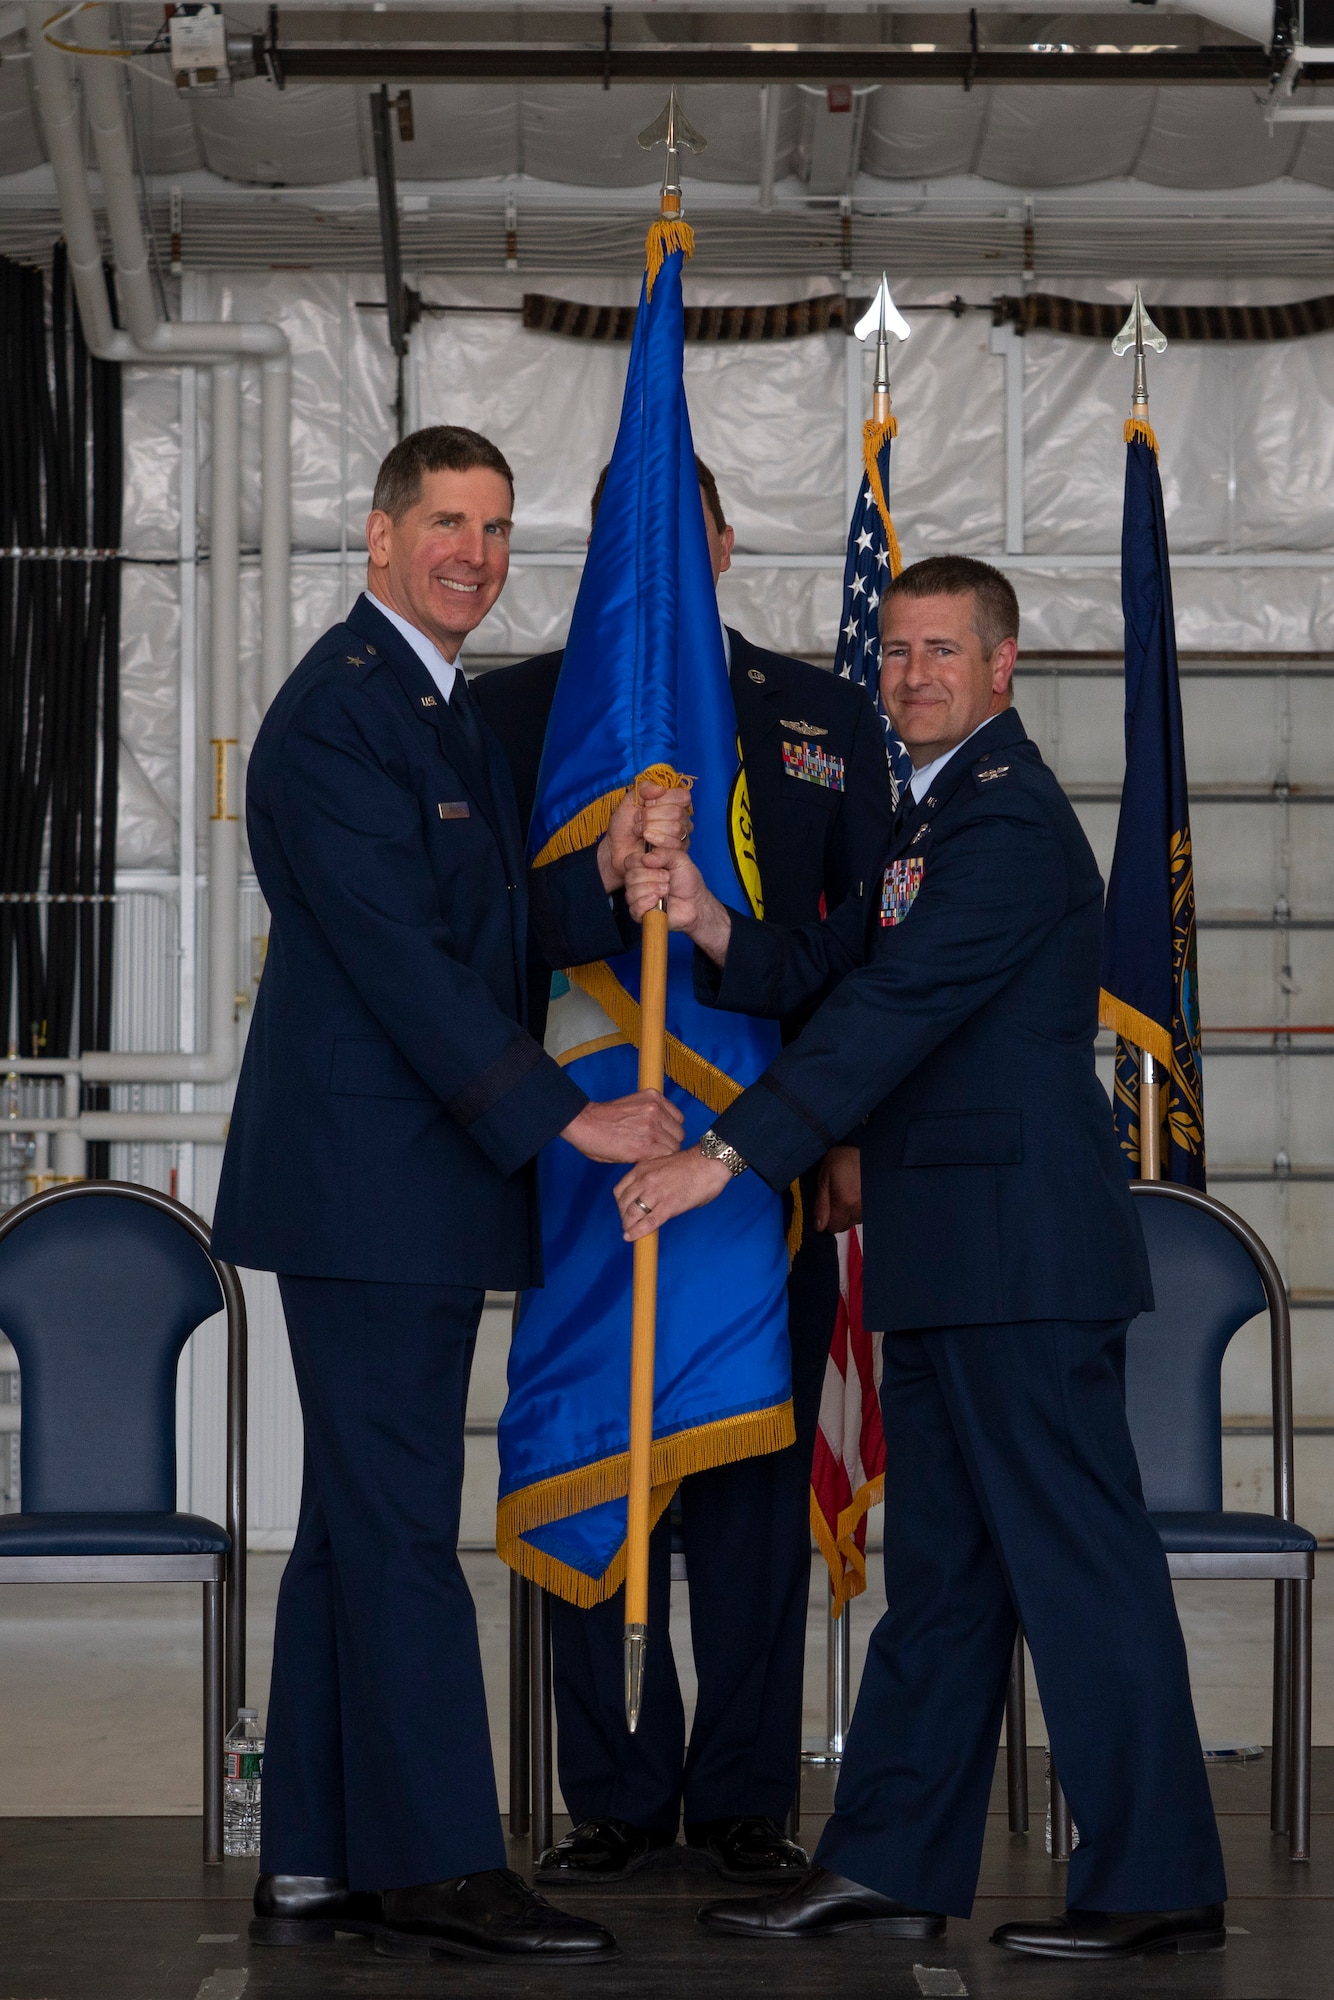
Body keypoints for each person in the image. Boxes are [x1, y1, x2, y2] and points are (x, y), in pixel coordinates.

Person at [613, 555, 1228, 1962]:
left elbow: (890, 1013)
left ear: (1003, 666)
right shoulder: (925, 821)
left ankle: (1153, 1881)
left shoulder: (1005, 826)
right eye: (892, 653)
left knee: (1079, 1573)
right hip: (953, 1258)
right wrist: (705, 919)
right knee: (944, 1581)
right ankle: (889, 1862)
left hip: (1021, 1260)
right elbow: (829, 967)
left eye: (940, 652)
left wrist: (728, 1154)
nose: (907, 677)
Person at [210, 425, 687, 1966]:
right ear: (377, 535)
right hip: (365, 1189)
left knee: (359, 1531)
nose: (473, 550)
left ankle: (317, 1856)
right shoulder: (339, 715)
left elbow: (476, 920)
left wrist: (600, 875)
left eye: (493, 525)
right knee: (405, 1529)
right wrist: (570, 1121)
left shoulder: (439, 705)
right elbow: (403, 970)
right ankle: (436, 1866)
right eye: (446, 523)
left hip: (397, 1187)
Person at [473, 457, 894, 1889]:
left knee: (748, 1497)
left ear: (719, 538)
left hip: (752, 1158)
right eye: (624, 533)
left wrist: (831, 1135)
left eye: (680, 523)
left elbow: (854, 956)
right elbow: (472, 940)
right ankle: (607, 1794)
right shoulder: (516, 713)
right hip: (578, 1161)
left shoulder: (818, 714)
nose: (657, 551)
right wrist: (591, 880)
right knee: (591, 1450)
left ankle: (739, 1798)